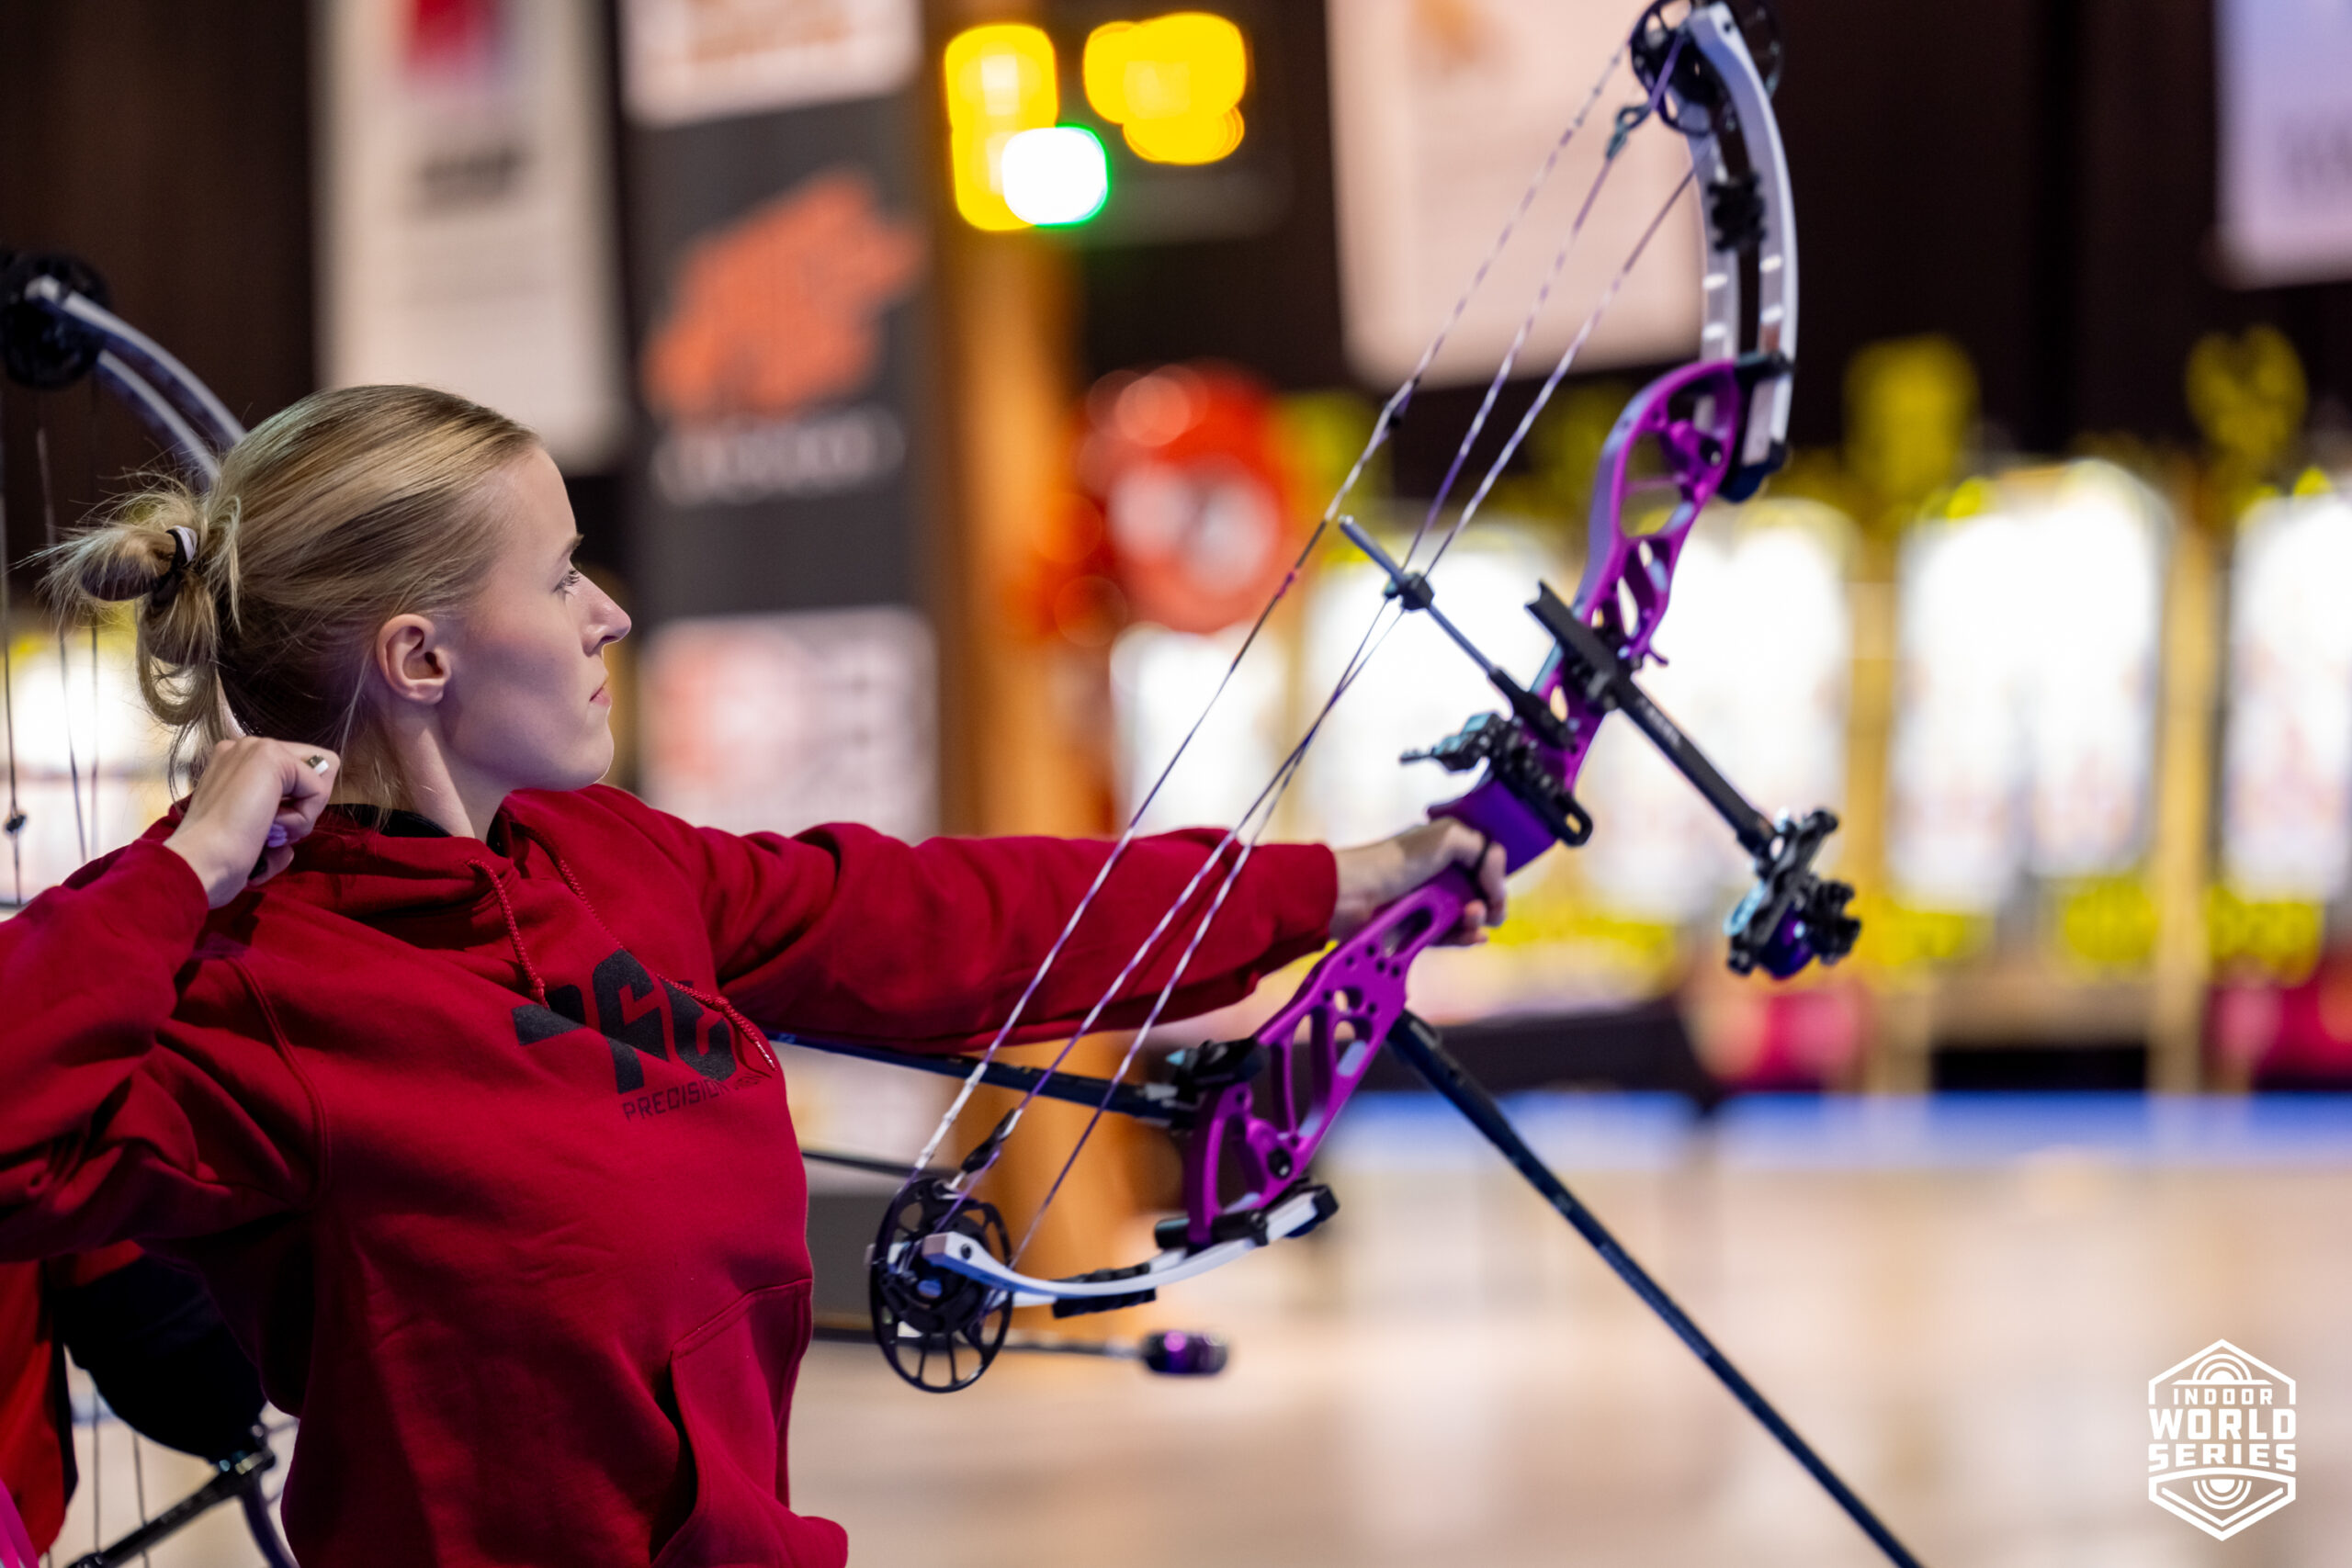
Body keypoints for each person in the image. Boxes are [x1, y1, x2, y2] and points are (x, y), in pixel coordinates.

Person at [0, 385, 1504, 1566]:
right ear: (422, 658)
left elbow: (957, 919)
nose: (610, 615)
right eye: (562, 575)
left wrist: (1340, 881)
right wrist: (179, 872)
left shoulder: (611, 862)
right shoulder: (268, 982)